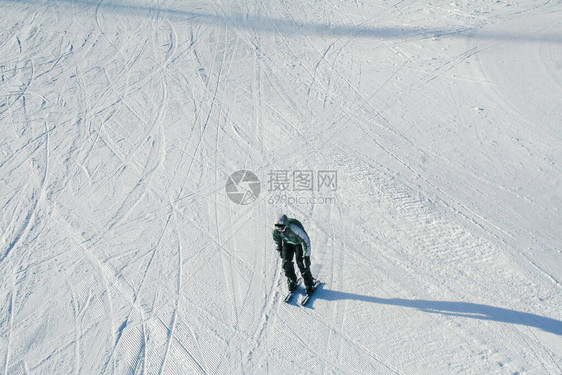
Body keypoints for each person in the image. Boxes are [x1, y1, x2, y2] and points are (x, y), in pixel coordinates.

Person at [273, 214, 315, 295]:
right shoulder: (276, 230)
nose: (280, 230)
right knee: (285, 263)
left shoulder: (294, 228)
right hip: (287, 243)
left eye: (282, 228)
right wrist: (279, 248)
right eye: (278, 228)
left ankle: (310, 283)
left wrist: (306, 256)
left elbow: (305, 241)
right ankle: (292, 280)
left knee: (301, 263)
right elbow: (276, 239)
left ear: (286, 225)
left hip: (299, 243)